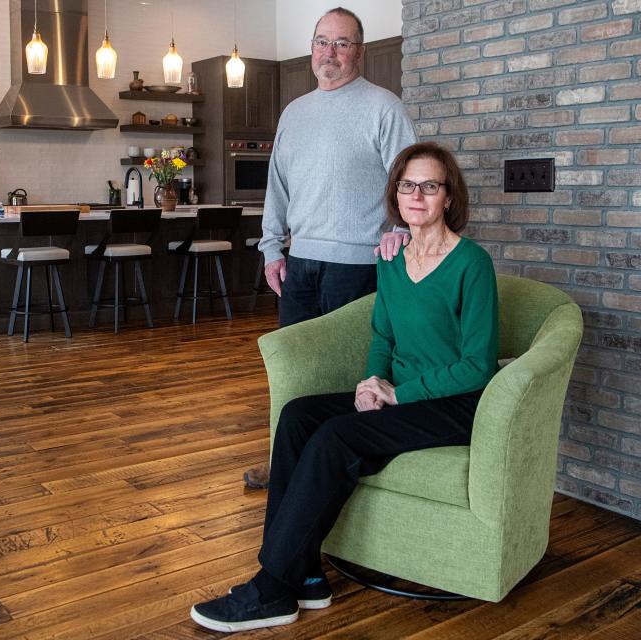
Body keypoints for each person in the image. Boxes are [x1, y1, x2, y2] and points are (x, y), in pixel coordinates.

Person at [191, 142, 499, 633]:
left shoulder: (472, 264)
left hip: (453, 404)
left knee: (338, 436)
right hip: (400, 393)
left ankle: (272, 588)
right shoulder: (392, 258)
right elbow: (383, 334)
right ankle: (306, 574)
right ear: (395, 194)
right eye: (407, 185)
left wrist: (397, 395)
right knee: (297, 416)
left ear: (448, 197)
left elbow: (477, 367)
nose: (416, 194)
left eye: (429, 186)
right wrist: (369, 383)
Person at [245, 6, 417, 490]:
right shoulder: (294, 113)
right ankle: (284, 460)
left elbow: (409, 179)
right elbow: (276, 187)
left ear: (360, 51)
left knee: (346, 373)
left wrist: (399, 227)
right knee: (294, 370)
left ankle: (339, 465)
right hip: (299, 265)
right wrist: (271, 248)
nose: (331, 52)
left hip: (360, 265)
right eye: (323, 42)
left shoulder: (384, 107)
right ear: (311, 50)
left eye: (342, 43)